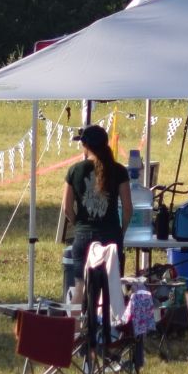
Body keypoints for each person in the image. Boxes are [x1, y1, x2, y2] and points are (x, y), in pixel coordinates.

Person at [57, 123, 129, 302]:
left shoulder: (74, 170)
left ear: (85, 145)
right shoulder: (119, 170)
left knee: (80, 287)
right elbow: (128, 208)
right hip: (110, 235)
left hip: (83, 236)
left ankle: (74, 320)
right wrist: (121, 231)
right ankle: (108, 320)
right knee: (111, 288)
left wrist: (79, 225)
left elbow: (67, 208)